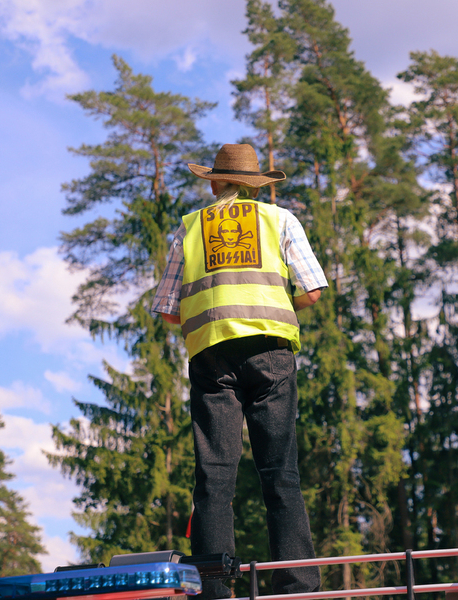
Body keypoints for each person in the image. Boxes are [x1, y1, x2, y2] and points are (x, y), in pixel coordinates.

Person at [151, 144, 327, 599]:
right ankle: (296, 585)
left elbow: (168, 312)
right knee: (280, 472)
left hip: (211, 356)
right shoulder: (281, 220)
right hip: (271, 352)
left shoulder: (189, 228)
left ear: (213, 182)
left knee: (213, 476)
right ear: (255, 185)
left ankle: (212, 589)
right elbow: (312, 293)